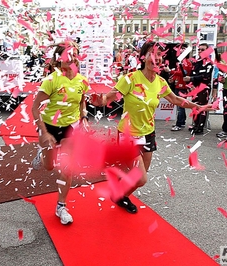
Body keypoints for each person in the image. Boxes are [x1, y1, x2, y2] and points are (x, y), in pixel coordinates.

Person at [91, 41, 213, 214]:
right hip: (128, 134)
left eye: (160, 56)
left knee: (139, 174)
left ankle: (121, 194)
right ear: (143, 57)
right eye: (153, 54)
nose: (157, 58)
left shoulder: (160, 82)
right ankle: (117, 193)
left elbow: (176, 100)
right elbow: (109, 98)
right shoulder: (130, 79)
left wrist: (198, 106)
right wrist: (99, 101)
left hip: (148, 133)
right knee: (141, 178)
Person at [31, 42, 90, 225]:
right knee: (49, 166)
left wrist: (84, 117)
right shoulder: (51, 80)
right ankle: (41, 155)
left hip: (70, 128)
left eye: (74, 54)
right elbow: (35, 108)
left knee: (67, 167)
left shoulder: (82, 80)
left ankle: (61, 206)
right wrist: (43, 131)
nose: (71, 57)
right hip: (49, 126)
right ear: (59, 59)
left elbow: (81, 102)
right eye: (67, 54)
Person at [183, 43, 213, 135]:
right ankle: (195, 125)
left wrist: (191, 78)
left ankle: (200, 127)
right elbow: (192, 74)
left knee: (202, 107)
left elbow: (205, 76)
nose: (200, 51)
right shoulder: (197, 62)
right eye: (199, 49)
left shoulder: (209, 63)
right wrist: (190, 83)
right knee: (195, 106)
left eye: (202, 49)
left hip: (204, 88)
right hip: (195, 88)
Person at [165, 43, 193, 131]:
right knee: (179, 106)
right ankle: (181, 122)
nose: (180, 51)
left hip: (183, 87)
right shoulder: (179, 62)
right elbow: (178, 72)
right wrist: (172, 79)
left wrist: (171, 72)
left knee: (180, 106)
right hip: (178, 85)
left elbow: (183, 73)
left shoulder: (188, 63)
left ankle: (179, 124)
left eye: (183, 49)